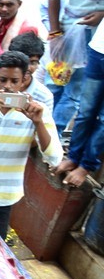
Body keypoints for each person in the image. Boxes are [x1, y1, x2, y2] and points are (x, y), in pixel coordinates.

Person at [0, 51, 62, 240]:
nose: (8, 86)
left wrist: (38, 123)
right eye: (3, 80)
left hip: (1, 199)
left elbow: (54, 157)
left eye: (14, 81)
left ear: (24, 81)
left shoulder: (36, 113)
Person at [46, 0, 104, 134]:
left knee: (74, 93)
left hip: (99, 36)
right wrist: (54, 33)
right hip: (72, 30)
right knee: (55, 85)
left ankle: (50, 138)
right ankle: (42, 136)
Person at [54, 24, 104, 187]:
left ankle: (86, 166)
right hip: (99, 49)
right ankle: (73, 157)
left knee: (103, 120)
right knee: (85, 112)